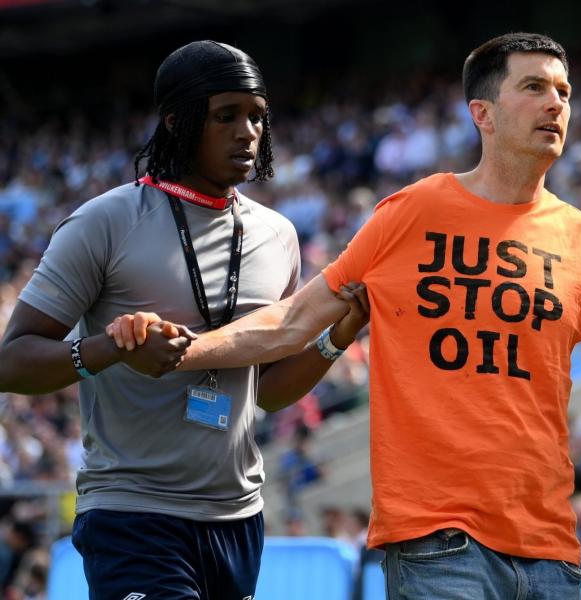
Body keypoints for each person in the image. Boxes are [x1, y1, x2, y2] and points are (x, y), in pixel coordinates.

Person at [109, 33, 581, 600]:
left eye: (563, 91)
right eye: (536, 88)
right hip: (438, 541)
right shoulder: (412, 212)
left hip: (551, 548)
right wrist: (186, 351)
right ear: (483, 114)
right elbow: (291, 323)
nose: (556, 104)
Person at [0, 40, 370, 599]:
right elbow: (11, 363)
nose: (248, 132)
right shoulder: (103, 221)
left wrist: (339, 335)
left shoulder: (279, 236)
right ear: (177, 121)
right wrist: (107, 349)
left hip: (238, 519)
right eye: (227, 116)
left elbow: (267, 392)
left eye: (257, 116)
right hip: (132, 515)